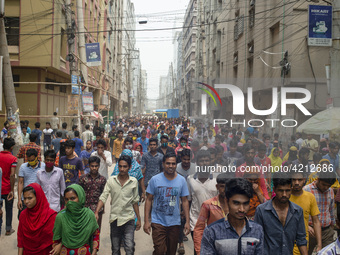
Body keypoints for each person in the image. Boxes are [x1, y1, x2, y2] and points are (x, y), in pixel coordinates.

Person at [200, 178, 264, 254]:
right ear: (227, 201)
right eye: (236, 203)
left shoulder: (257, 230)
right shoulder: (212, 231)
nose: (242, 209)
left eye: (245, 203)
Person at [144, 153, 190, 255]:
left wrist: (187, 221)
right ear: (163, 164)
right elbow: (149, 199)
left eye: (173, 164)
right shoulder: (155, 180)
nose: (171, 166)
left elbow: (185, 201)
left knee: (171, 251)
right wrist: (146, 221)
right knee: (160, 250)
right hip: (158, 222)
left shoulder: (181, 180)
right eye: (168, 163)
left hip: (174, 223)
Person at [95, 155, 141, 254]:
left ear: (129, 167)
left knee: (129, 248)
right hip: (115, 219)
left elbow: (135, 202)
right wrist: (96, 211)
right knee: (115, 249)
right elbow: (103, 196)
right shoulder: (111, 180)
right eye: (120, 166)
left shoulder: (133, 182)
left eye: (125, 166)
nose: (122, 169)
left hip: (129, 219)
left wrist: (139, 220)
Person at [254, 172, 308, 255]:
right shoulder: (262, 210)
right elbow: (257, 239)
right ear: (274, 189)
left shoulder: (298, 211)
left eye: (287, 190)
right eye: (281, 191)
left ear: (291, 189)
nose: (284, 194)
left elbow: (301, 240)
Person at [51, 184, 100, 255]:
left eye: (73, 198)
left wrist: (94, 251)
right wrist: (59, 245)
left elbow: (95, 235)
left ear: (80, 198)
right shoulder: (61, 216)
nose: (69, 202)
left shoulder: (89, 215)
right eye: (66, 199)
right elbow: (56, 239)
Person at [187, 150, 218, 254]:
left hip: (215, 223)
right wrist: (187, 221)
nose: (204, 163)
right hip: (195, 222)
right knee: (199, 251)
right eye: (201, 161)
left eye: (207, 160)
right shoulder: (190, 179)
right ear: (197, 163)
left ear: (210, 162)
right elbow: (188, 200)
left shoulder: (217, 179)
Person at [193, 173, 229, 255]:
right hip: (213, 247)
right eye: (222, 186)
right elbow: (199, 228)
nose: (225, 189)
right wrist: (199, 251)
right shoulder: (208, 204)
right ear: (217, 187)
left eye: (228, 186)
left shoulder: (236, 205)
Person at [17, 183, 57, 255]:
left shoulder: (51, 216)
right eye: (25, 198)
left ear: (38, 197)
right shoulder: (23, 215)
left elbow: (58, 238)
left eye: (30, 198)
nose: (26, 201)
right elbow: (20, 238)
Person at [303, 171, 337, 254]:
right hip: (311, 231)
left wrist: (333, 224)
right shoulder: (306, 190)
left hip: (326, 231)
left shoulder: (330, 191)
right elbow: (300, 212)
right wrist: (306, 226)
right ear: (318, 179)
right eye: (323, 184)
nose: (325, 187)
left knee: (328, 252)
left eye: (328, 186)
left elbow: (331, 209)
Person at [290, 171, 322, 255]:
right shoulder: (285, 196)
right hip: (286, 242)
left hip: (302, 244)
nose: (296, 183)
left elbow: (316, 221)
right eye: (294, 180)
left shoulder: (310, 197)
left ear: (304, 180)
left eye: (299, 180)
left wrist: (319, 244)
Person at [79, 156, 106, 230]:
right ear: (89, 166)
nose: (94, 168)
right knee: (85, 230)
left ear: (99, 166)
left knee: (96, 230)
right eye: (92, 166)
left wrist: (103, 208)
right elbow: (79, 194)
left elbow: (103, 195)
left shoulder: (102, 179)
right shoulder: (83, 178)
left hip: (98, 209)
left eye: (96, 166)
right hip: (85, 209)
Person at [18, 149, 46, 217]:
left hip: (38, 198)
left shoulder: (44, 167)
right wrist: (19, 199)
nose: (31, 162)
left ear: (37, 157)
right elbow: (20, 183)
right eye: (29, 160)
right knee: (23, 217)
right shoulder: (23, 167)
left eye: (32, 160)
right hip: (26, 198)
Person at [0, 137, 17, 236]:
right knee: (9, 209)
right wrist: (11, 190)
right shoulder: (13, 159)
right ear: (12, 147)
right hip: (7, 189)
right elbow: (12, 174)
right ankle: (8, 229)